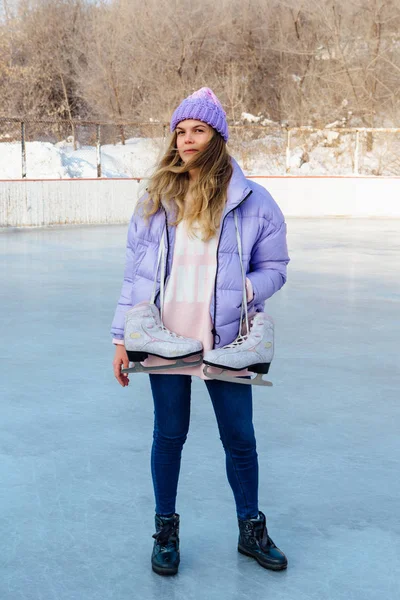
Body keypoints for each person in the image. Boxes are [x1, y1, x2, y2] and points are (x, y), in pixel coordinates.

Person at [111, 88, 290, 576]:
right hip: (166, 336)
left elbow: (276, 266)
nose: (187, 140)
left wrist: (246, 292)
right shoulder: (157, 198)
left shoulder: (253, 200)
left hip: (228, 340)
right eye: (181, 130)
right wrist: (120, 339)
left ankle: (250, 527)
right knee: (169, 435)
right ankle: (165, 529)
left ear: (218, 137)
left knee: (241, 438)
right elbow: (135, 277)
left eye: (199, 130)